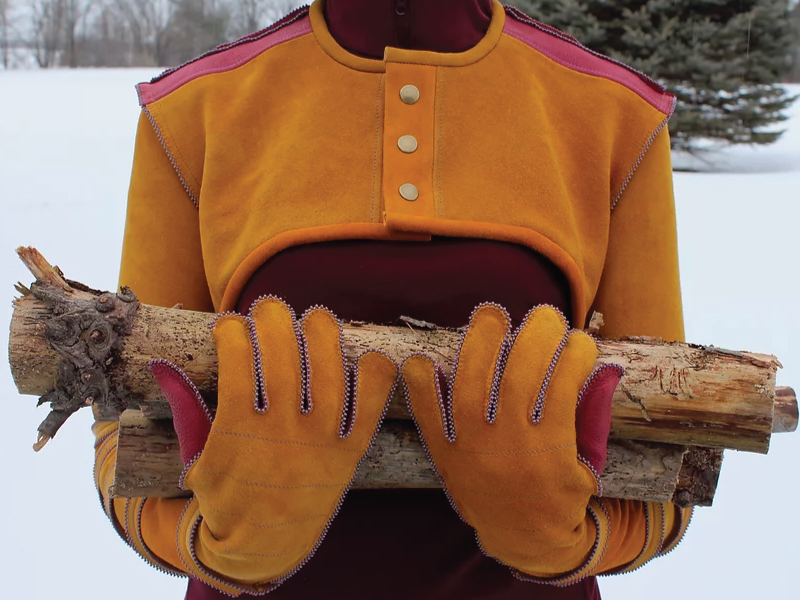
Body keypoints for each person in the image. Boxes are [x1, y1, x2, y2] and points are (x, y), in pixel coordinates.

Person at [92, 1, 693, 598]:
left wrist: (571, 544)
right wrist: (215, 545)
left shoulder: (613, 113)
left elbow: (681, 442)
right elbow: (123, 437)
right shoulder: (194, 110)